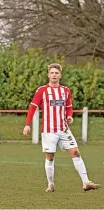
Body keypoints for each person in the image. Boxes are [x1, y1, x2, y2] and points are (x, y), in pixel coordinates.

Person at [23, 63, 101, 192]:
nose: (54, 75)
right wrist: (27, 124)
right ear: (48, 75)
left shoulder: (65, 91)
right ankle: (51, 185)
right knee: (50, 157)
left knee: (75, 153)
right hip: (49, 131)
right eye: (52, 73)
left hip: (64, 129)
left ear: (60, 75)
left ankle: (86, 183)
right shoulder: (42, 90)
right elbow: (33, 107)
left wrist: (69, 116)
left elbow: (69, 107)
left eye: (56, 73)